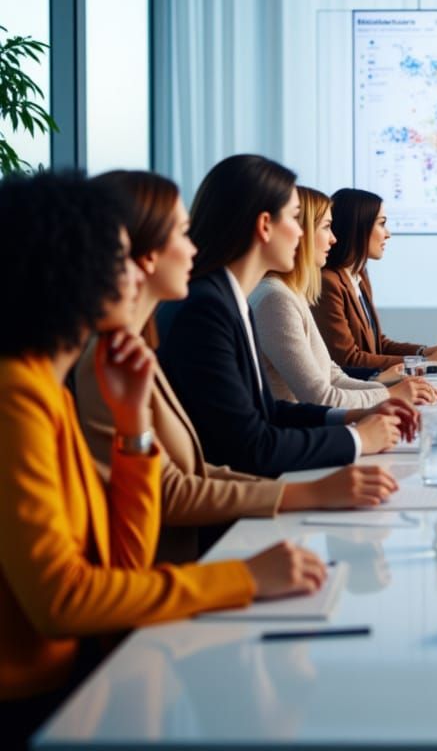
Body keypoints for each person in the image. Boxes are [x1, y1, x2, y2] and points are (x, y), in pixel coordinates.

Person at [0, 172, 327, 747]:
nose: (134, 272)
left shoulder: (50, 393)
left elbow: (124, 565)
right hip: (36, 708)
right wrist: (243, 578)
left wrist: (134, 433)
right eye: (121, 257)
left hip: (85, 681)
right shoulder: (16, 400)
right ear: (68, 268)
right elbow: (62, 600)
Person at [76, 171, 400, 564]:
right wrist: (323, 477)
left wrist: (354, 421)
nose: (192, 248)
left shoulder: (220, 307)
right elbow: (231, 454)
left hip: (190, 546)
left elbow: (252, 424)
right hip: (185, 555)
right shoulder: (199, 311)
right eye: (182, 233)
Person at [158, 155, 415, 477]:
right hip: (237, 500)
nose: (301, 233)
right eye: (296, 218)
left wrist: (354, 416)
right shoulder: (208, 308)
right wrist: (357, 437)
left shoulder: (229, 298)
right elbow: (249, 447)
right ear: (265, 225)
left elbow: (268, 411)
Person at [251, 185, 437, 409]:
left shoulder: (293, 293)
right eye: (326, 227)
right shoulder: (276, 299)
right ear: (303, 232)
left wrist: (395, 389)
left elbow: (333, 376)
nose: (333, 239)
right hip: (298, 431)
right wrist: (391, 394)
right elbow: (321, 396)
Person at [313, 187, 437, 372]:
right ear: (358, 227)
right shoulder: (328, 283)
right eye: (381, 224)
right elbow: (348, 359)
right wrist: (422, 364)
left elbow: (377, 344)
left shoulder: (359, 275)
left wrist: (425, 352)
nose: (387, 233)